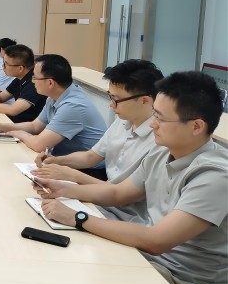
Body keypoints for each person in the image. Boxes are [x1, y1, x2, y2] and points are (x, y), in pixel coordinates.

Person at [32, 71, 227, 284]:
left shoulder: (214, 176)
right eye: (154, 114)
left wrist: (77, 217)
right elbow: (117, 193)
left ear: (196, 126)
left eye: (161, 118)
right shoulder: (162, 152)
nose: (153, 124)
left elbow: (156, 241)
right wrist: (64, 189)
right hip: (149, 261)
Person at [32, 59, 163, 222]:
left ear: (145, 100)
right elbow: (90, 156)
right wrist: (57, 160)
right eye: (110, 97)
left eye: (116, 99)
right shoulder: (123, 121)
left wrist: (71, 175)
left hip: (126, 217)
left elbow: (120, 194)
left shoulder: (159, 141)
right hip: (101, 202)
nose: (111, 105)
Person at [0, 54, 107, 158]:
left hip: (87, 170)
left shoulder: (72, 106)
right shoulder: (55, 96)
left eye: (35, 77)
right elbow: (35, 126)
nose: (32, 81)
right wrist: (2, 127)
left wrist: (18, 133)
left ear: (50, 83)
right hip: (63, 160)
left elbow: (39, 145)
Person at [0, 44, 46, 123]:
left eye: (6, 64)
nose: (2, 66)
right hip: (15, 122)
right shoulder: (19, 78)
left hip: (25, 126)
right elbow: (1, 97)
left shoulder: (34, 83)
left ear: (20, 68)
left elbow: (13, 110)